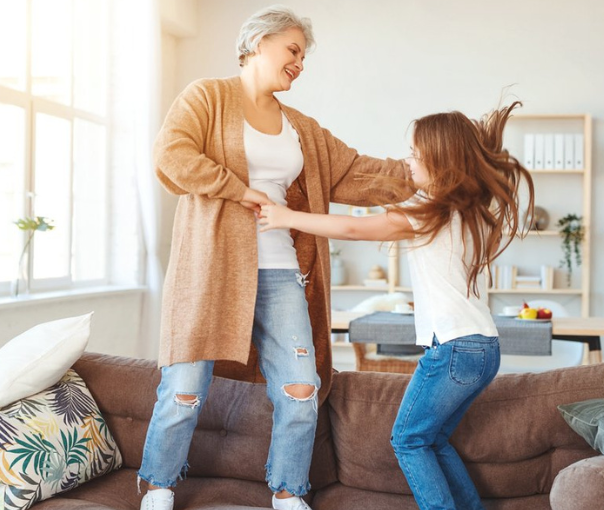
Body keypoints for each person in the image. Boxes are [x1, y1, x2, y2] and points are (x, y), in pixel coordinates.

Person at [140, 6, 411, 510]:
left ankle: (289, 490)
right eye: (293, 51)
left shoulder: (300, 127)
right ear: (258, 44)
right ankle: (159, 485)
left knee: (301, 389)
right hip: (211, 270)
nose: (300, 64)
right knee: (184, 388)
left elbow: (357, 171)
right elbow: (170, 154)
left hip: (283, 271)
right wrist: (237, 189)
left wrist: (425, 169)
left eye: (303, 56)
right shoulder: (207, 96)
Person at [258, 105, 535, 510]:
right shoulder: (468, 209)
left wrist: (287, 216)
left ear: (437, 157)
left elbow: (354, 228)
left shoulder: (429, 212)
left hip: (455, 347)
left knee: (407, 440)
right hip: (483, 346)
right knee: (432, 439)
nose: (407, 160)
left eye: (413, 152)